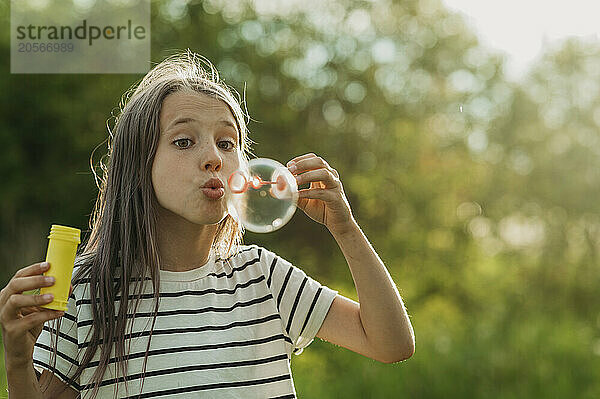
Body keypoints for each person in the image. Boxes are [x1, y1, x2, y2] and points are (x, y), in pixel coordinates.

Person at [0, 50, 415, 399]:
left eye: (226, 142)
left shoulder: (263, 278)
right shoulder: (84, 293)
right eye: (184, 141)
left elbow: (391, 344)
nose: (213, 157)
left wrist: (346, 229)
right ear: (138, 165)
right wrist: (18, 361)